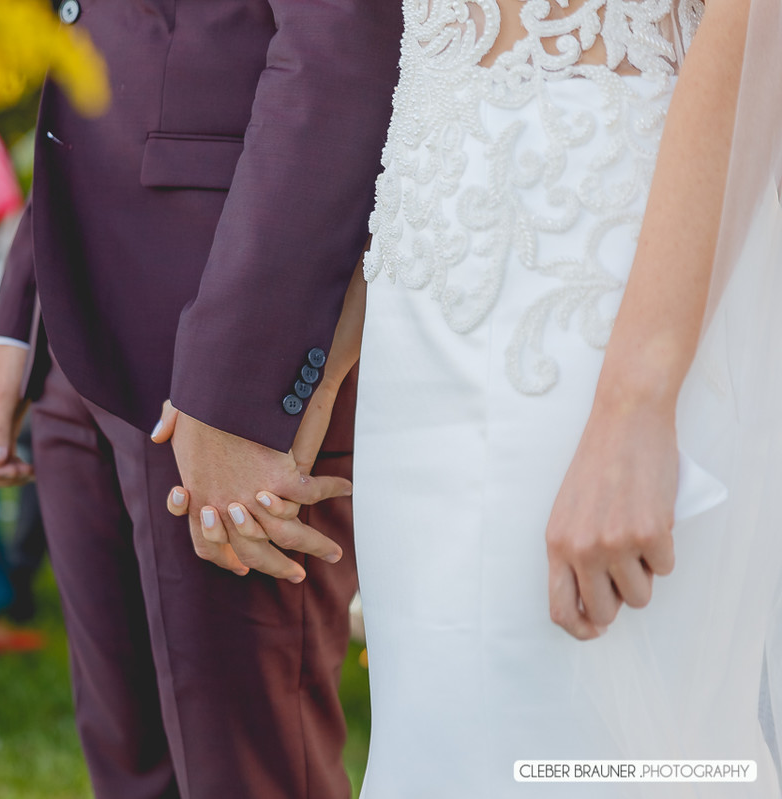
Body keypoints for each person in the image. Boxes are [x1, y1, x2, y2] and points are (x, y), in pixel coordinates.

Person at [177, 0, 782, 794]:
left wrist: (635, 403)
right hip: (420, 303)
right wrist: (317, 368)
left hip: (602, 273)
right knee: (444, 732)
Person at [0, 2, 402, 796]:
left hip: (223, 325)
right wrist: (15, 329)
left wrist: (241, 388)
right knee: (128, 764)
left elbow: (336, 55)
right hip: (70, 344)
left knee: (251, 768)